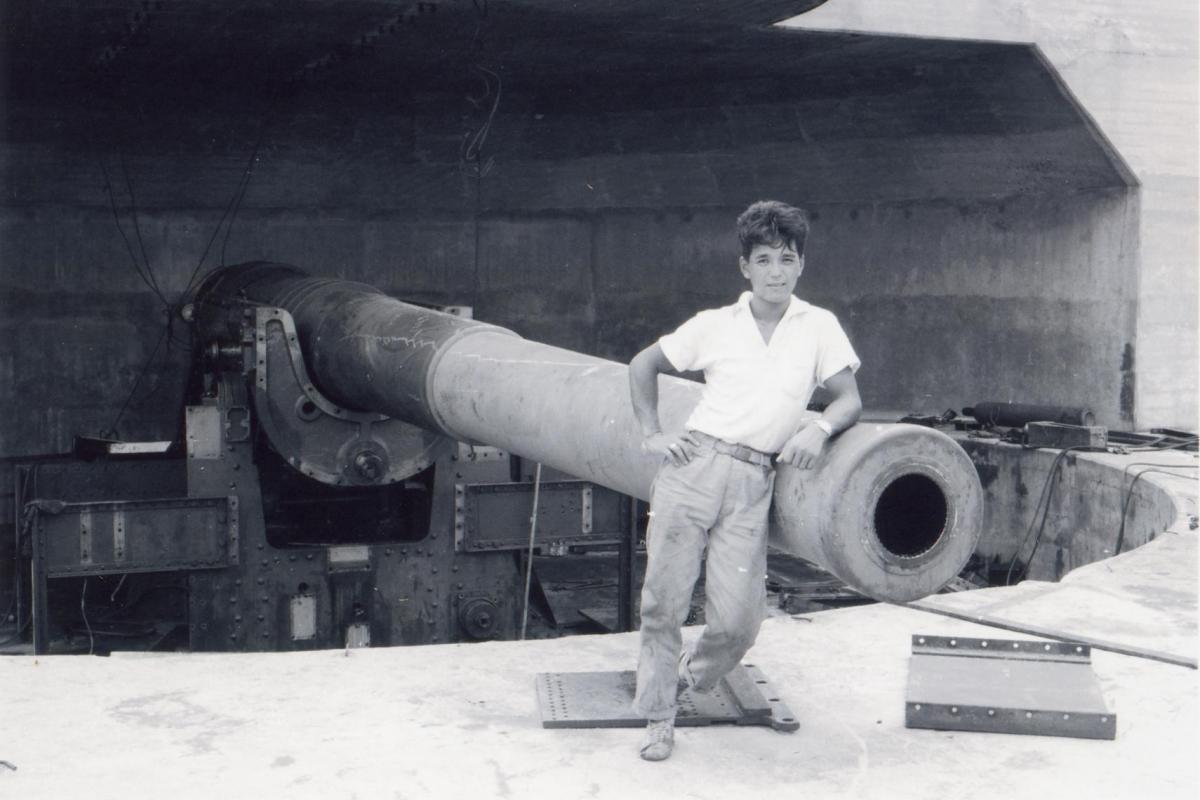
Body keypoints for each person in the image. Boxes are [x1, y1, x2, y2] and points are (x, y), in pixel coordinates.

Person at [626, 200, 862, 761]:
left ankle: (692, 677)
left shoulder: (818, 326)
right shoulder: (714, 325)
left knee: (739, 621)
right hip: (693, 469)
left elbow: (850, 399)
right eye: (764, 260)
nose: (776, 271)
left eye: (787, 258)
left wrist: (820, 427)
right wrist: (652, 434)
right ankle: (659, 717)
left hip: (755, 480)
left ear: (801, 264)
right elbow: (643, 364)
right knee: (665, 604)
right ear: (745, 268)